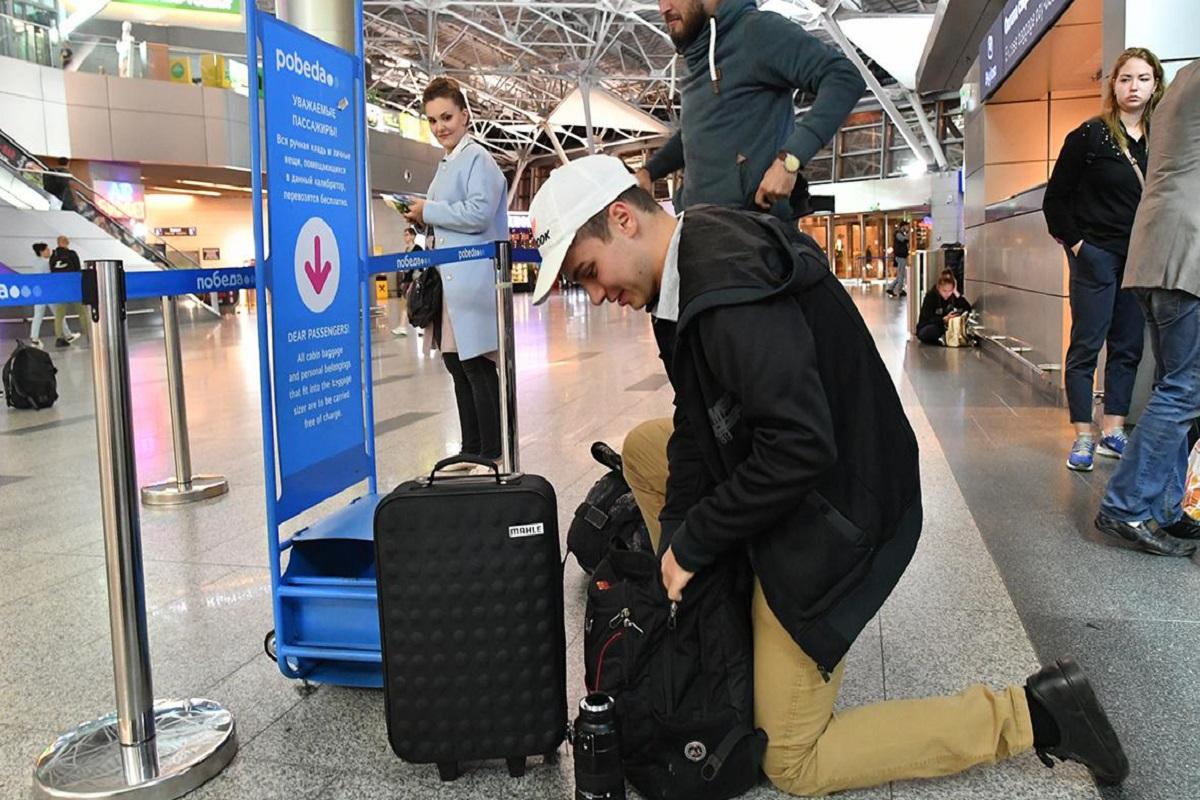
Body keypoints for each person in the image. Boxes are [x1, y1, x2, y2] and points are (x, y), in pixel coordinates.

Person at [527, 154, 1128, 797]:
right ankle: (720, 604)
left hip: (845, 511)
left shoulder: (727, 285)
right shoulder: (685, 267)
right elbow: (696, 422)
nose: (596, 296)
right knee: (648, 449)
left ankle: (1037, 715)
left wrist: (698, 539)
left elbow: (800, 449)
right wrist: (680, 544)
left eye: (588, 272)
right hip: (811, 472)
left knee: (793, 759)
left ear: (623, 220)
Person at [1093, 60, 1200, 559]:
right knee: (1185, 388)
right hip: (1185, 255)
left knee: (1175, 386)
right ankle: (1127, 505)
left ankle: (1163, 507)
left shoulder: (1182, 83)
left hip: (1156, 252)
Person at [1043, 47, 1165, 472]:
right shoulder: (1090, 136)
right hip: (1095, 256)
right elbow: (1055, 201)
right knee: (1086, 345)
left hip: (1140, 258)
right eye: (1126, 78)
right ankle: (1083, 434)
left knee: (1128, 345)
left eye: (1143, 79)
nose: (1134, 87)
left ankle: (1113, 428)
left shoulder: (1161, 139)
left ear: (1155, 85)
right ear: (1114, 85)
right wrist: (1079, 247)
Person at [634, 0, 863, 220]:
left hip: (751, 231)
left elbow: (843, 77)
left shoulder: (756, 31)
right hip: (699, 227)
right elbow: (695, 133)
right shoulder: (698, 56)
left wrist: (790, 160)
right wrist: (650, 171)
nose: (663, 8)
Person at [403, 78, 507, 470]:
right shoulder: (447, 163)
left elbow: (479, 212)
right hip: (450, 280)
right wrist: (421, 219)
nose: (440, 127)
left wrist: (428, 210)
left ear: (465, 115)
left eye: (446, 117)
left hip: (472, 278)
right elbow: (452, 217)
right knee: (457, 363)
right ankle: (472, 445)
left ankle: (490, 449)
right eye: (432, 120)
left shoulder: (478, 159)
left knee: (477, 363)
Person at [48, 235, 88, 348]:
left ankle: (59, 337)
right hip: (73, 288)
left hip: (61, 289)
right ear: (67, 243)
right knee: (82, 312)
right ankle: (88, 334)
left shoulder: (53, 256)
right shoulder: (72, 254)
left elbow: (52, 271)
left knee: (59, 315)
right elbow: (77, 270)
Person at [916, 272, 972, 345]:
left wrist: (956, 293)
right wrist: (944, 319)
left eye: (950, 291)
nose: (947, 294)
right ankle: (943, 338)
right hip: (930, 325)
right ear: (939, 288)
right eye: (944, 291)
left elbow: (968, 308)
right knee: (929, 331)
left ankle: (945, 337)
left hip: (946, 326)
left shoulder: (952, 297)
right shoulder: (931, 297)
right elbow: (928, 318)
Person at [392, 226, 423, 337]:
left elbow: (419, 265)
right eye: (404, 235)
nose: (405, 237)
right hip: (408, 279)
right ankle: (403, 326)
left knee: (414, 303)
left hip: (415, 279)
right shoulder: (406, 250)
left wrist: (416, 279)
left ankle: (419, 327)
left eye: (407, 235)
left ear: (413, 236)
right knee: (405, 303)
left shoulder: (418, 249)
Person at [27, 243, 53, 348]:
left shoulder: (35, 263)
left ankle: (34, 339)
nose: (49, 251)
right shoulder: (45, 263)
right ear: (42, 251)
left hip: (38, 292)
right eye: (47, 249)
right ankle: (68, 335)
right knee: (59, 313)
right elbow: (49, 277)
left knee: (37, 315)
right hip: (48, 292)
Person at [885, 222, 910, 297]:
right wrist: (908, 233)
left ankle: (890, 288)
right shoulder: (898, 234)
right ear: (903, 226)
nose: (907, 228)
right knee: (901, 274)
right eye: (906, 226)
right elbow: (905, 240)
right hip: (900, 256)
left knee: (900, 275)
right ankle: (900, 290)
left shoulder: (901, 234)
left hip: (902, 256)